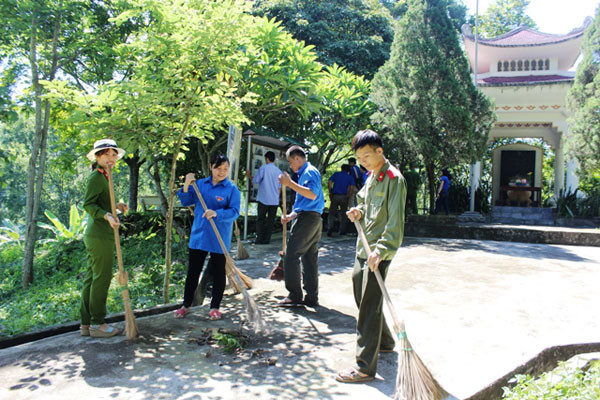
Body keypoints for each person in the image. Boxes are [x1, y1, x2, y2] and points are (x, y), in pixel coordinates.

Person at [336, 129, 406, 383]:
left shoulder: (393, 179)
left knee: (368, 304)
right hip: (362, 247)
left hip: (378, 251)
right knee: (360, 291)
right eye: (360, 157)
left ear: (380, 151)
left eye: (367, 156)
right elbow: (366, 204)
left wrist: (382, 250)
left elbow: (396, 220)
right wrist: (358, 210)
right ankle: (385, 341)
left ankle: (365, 366)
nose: (363, 161)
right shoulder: (371, 176)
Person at [174, 154, 241, 320]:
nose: (222, 172)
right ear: (211, 166)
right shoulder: (200, 185)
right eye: (219, 168)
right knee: (193, 272)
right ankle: (186, 305)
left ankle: (215, 307)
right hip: (199, 236)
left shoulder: (231, 189)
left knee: (218, 273)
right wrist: (186, 184)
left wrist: (216, 213)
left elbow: (234, 212)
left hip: (219, 237)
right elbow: (185, 200)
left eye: (225, 169)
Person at [80, 138, 127, 338]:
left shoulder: (106, 176)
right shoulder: (96, 177)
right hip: (99, 235)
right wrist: (106, 215)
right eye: (106, 154)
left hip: (102, 233)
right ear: (98, 157)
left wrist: (116, 207)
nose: (111, 158)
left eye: (113, 154)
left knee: (92, 278)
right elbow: (88, 205)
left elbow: (103, 202)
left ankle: (86, 323)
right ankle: (97, 323)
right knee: (101, 278)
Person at [277, 146, 325, 307]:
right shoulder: (305, 173)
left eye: (290, 161)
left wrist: (289, 183)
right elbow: (305, 200)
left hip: (309, 220)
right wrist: (291, 215)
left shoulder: (309, 171)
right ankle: (312, 297)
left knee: (291, 256)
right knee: (309, 258)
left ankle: (294, 295)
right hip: (311, 218)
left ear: (297, 158)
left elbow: (312, 194)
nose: (290, 165)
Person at [246, 151, 282, 244]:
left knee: (260, 219)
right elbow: (279, 188)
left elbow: (256, 180)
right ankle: (267, 240)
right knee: (270, 221)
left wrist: (249, 176)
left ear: (267, 159)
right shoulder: (278, 171)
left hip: (264, 199)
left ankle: (259, 239)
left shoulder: (263, 168)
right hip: (274, 200)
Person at [327, 164, 355, 236]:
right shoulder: (350, 177)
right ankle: (342, 230)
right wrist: (348, 196)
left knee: (332, 213)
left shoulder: (336, 174)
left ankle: (330, 227)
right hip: (344, 196)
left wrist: (330, 191)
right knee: (343, 213)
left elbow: (329, 182)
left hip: (335, 195)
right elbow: (351, 188)